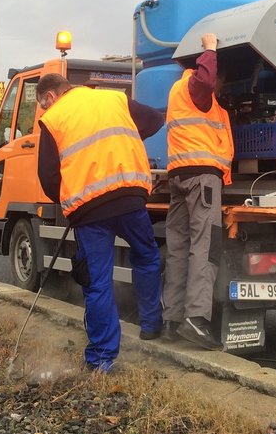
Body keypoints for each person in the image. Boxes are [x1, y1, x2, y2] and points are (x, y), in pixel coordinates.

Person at [36, 73, 164, 373]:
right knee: (146, 257)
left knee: (98, 281)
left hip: (89, 210)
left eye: (43, 104)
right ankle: (151, 325)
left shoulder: (54, 118)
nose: (44, 110)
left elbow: (48, 176)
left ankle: (102, 359)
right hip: (131, 194)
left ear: (51, 97)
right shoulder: (113, 98)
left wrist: (69, 200)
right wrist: (125, 140)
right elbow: (155, 119)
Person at [162, 32, 234, 350]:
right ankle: (196, 319)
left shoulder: (180, 93)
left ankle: (172, 320)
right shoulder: (196, 88)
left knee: (178, 250)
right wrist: (211, 49)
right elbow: (205, 83)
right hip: (201, 179)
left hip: (179, 179)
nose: (221, 87)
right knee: (205, 248)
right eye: (222, 81)